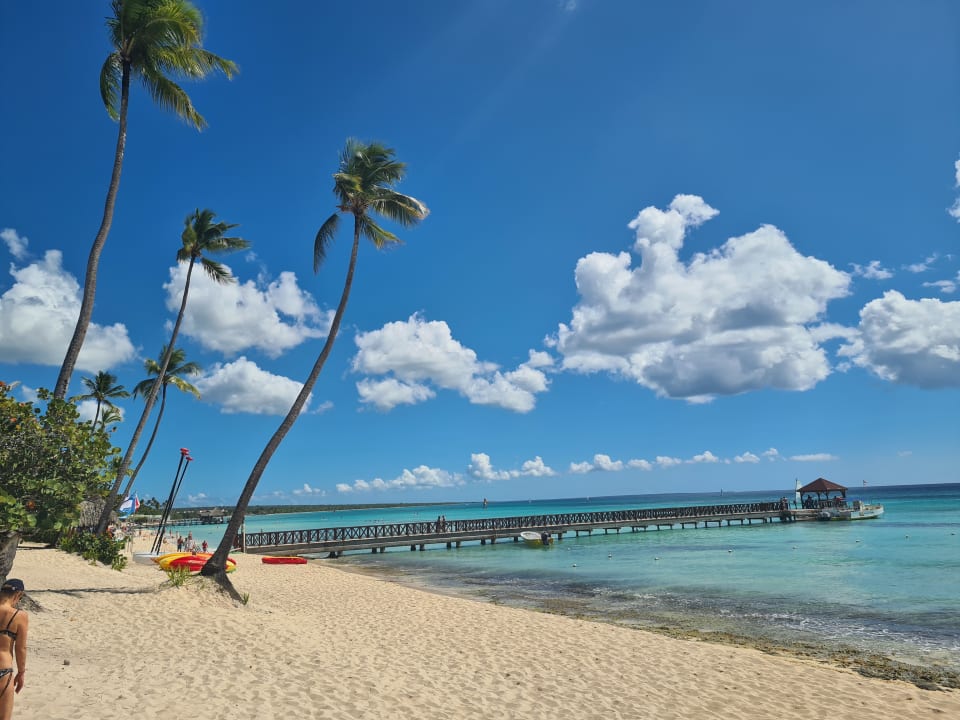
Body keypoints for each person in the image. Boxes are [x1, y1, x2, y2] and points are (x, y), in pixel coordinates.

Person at [0, 579, 28, 720]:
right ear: (18, 595)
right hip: (3, 671)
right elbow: (21, 648)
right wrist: (21, 673)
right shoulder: (19, 616)